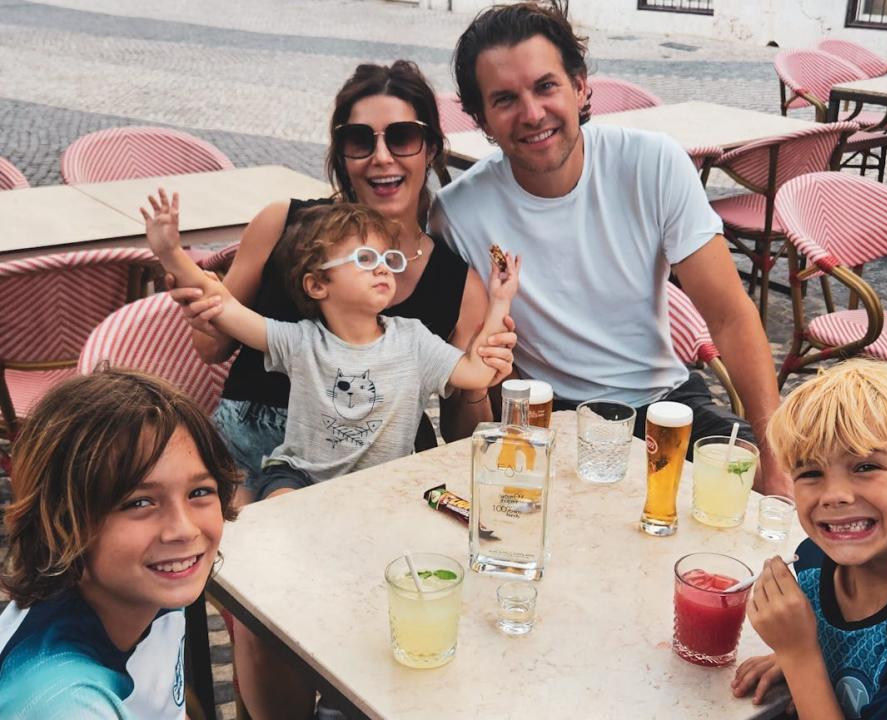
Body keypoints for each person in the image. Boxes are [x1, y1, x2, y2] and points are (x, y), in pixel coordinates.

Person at [429, 0, 790, 495]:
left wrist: (775, 461)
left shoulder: (652, 163)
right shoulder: (458, 213)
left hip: (664, 400)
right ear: (483, 120)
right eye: (505, 99)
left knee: (780, 512)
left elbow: (730, 315)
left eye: (545, 86)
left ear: (579, 87)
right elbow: (466, 368)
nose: (532, 114)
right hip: (547, 414)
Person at [171, 61, 514, 507]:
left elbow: (459, 434)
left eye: (402, 136)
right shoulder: (283, 223)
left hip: (372, 474)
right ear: (341, 155)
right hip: (251, 461)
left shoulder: (459, 284)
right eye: (359, 140)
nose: (382, 157)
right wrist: (202, 306)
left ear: (429, 148)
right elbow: (210, 348)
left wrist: (477, 385)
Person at [144, 193, 518, 501]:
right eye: (366, 259)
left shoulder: (414, 340)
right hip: (300, 476)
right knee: (279, 511)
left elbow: (476, 372)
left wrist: (500, 301)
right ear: (318, 285)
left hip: (382, 485)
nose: (385, 268)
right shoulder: (301, 341)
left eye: (389, 258)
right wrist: (171, 253)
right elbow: (224, 306)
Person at [0, 369, 240, 719]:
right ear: (63, 522)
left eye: (199, 492)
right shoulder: (67, 703)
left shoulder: (148, 585)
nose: (184, 530)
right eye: (139, 502)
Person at [732, 359, 887, 719]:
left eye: (866, 467)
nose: (833, 495)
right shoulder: (811, 559)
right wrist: (798, 657)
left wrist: (799, 655)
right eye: (810, 472)